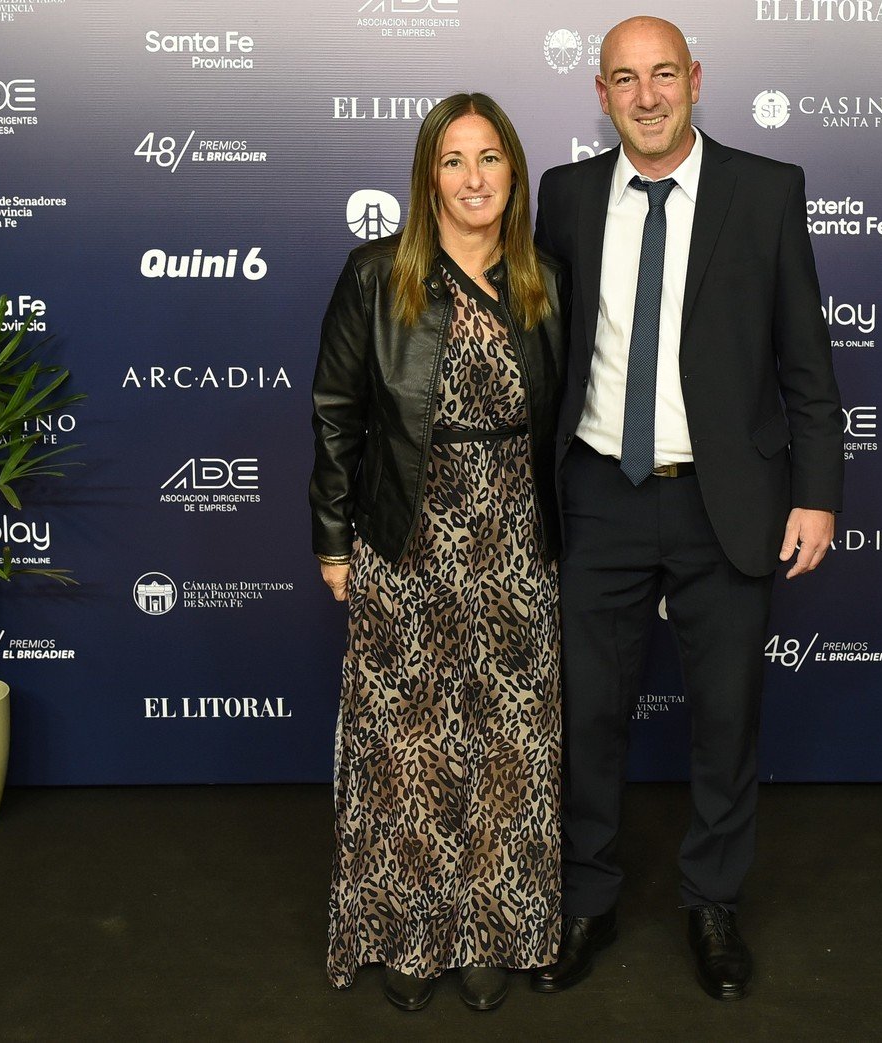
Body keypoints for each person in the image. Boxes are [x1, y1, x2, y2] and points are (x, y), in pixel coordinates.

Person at [531, 16, 843, 1001]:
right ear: (600, 93)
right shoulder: (565, 196)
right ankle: (586, 898)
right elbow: (540, 351)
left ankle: (711, 902)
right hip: (597, 496)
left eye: (663, 74)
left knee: (724, 719)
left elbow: (806, 363)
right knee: (586, 716)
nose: (647, 95)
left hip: (728, 504)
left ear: (695, 80)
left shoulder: (764, 190)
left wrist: (817, 495)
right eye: (625, 79)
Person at [310, 92, 567, 1013]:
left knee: (509, 742)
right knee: (407, 745)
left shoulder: (545, 278)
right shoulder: (378, 274)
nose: (473, 179)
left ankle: (495, 930)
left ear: (513, 173)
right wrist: (334, 541)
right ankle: (413, 935)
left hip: (513, 539)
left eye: (489, 158)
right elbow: (338, 414)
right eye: (453, 161)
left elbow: (570, 418)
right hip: (404, 530)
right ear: (428, 176)